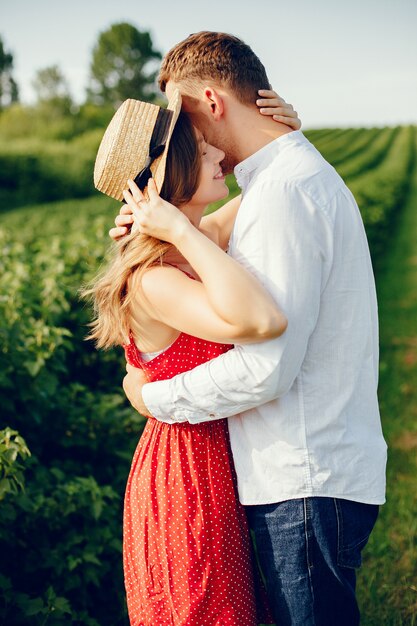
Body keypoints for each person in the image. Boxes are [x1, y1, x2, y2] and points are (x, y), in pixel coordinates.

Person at [112, 32, 388, 626]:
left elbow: (267, 365)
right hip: (286, 471)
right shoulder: (281, 183)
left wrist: (150, 395)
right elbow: (201, 244)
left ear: (211, 103)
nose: (181, 136)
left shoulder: (284, 191)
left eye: (181, 117)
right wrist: (160, 225)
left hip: (304, 470)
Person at [83, 89, 299, 625]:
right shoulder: (156, 279)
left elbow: (274, 187)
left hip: (213, 458)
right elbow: (262, 320)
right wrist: (177, 227)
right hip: (187, 474)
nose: (220, 156)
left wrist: (289, 139)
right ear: (174, 174)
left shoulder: (198, 241)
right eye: (203, 150)